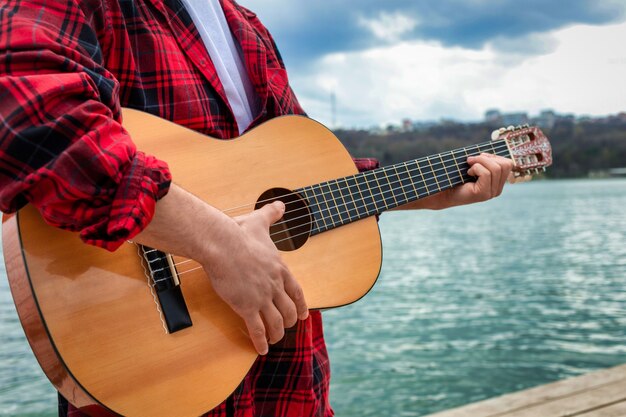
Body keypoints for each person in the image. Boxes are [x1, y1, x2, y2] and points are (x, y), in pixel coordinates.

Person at [0, 0, 514, 416]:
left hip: (287, 381)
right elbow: (25, 111)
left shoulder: (246, 26)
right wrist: (219, 245)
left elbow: (301, 177)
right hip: (161, 379)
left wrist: (428, 190)